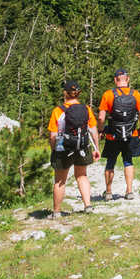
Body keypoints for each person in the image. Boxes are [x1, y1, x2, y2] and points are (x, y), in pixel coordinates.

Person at [47, 79, 99, 214]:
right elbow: (93, 130)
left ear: (65, 93)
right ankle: (88, 206)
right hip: (82, 146)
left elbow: (53, 135)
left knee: (60, 180)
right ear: (78, 93)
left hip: (63, 148)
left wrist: (53, 150)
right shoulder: (86, 109)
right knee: (82, 175)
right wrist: (96, 148)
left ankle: (57, 212)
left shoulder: (57, 111)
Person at [98, 69, 140, 200]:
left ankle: (108, 192)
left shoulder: (108, 94)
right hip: (131, 134)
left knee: (110, 162)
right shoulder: (136, 94)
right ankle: (129, 191)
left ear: (115, 80)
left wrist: (100, 130)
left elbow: (101, 118)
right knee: (128, 161)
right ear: (128, 79)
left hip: (112, 135)